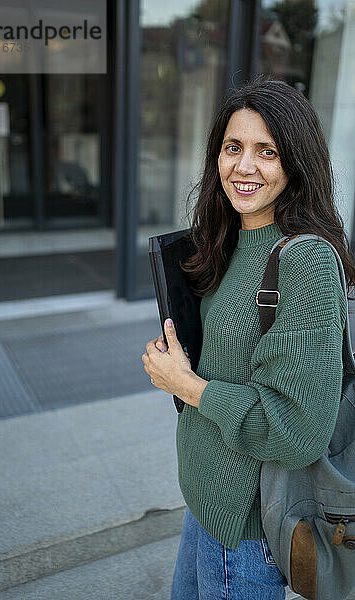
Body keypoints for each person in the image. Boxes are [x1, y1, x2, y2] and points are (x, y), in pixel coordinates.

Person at [141, 75, 355, 600]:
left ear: (295, 163)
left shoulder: (304, 260)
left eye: (268, 151)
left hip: (247, 535)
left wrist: (186, 385)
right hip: (205, 507)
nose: (244, 166)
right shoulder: (230, 236)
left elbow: (298, 430)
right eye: (233, 147)